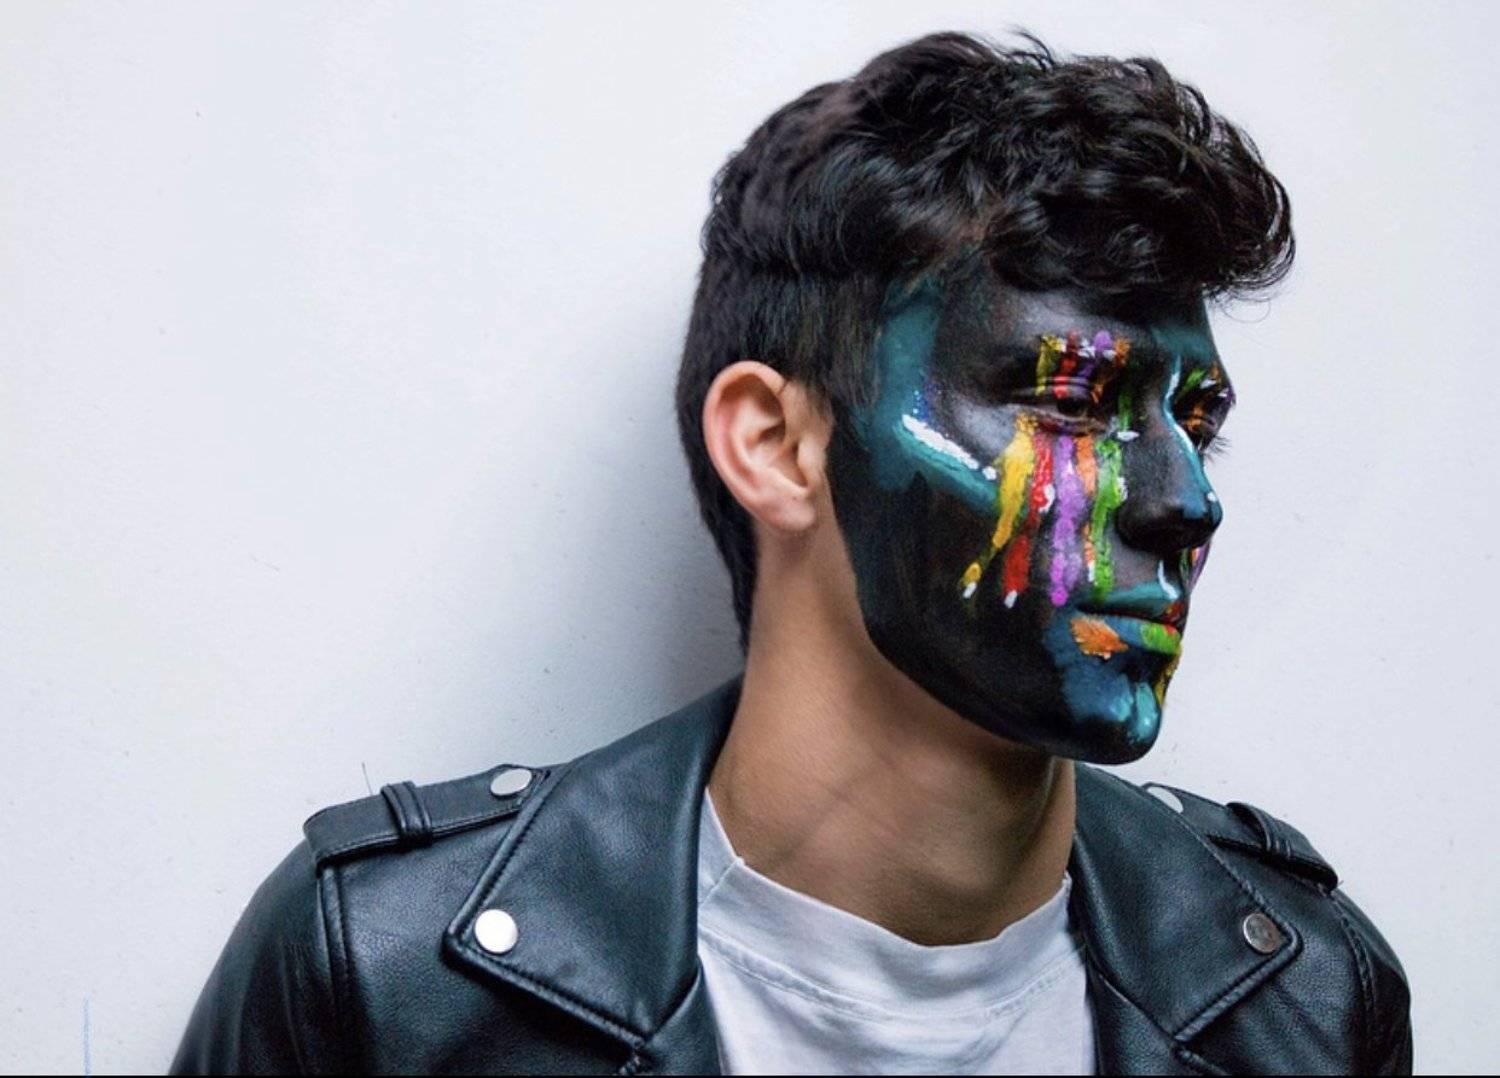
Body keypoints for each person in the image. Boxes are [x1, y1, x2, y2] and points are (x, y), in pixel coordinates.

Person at [171, 30, 1412, 1075]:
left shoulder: (1307, 997)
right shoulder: (385, 980)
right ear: (774, 444)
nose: (1187, 501)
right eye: (1073, 403)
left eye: (1197, 423)